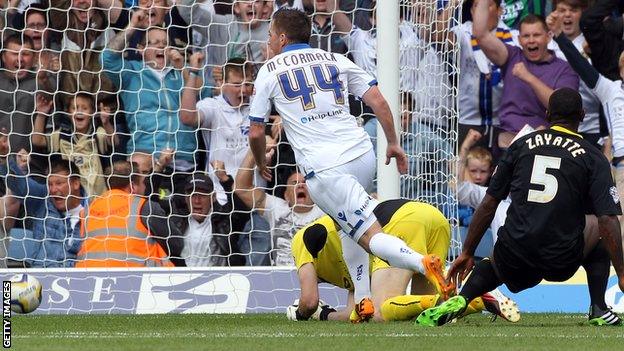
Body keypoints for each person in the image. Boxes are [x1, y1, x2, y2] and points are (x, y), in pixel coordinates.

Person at [248, 8, 453, 321]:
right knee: (347, 227)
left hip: (326, 167)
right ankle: (363, 300)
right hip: (362, 153)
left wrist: (262, 160)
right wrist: (394, 143)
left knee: (369, 235)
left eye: (270, 35)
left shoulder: (270, 69)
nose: (269, 41)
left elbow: (256, 130)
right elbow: (379, 101)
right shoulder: (334, 58)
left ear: (281, 37)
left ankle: (422, 262)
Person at [416, 88, 624, 327]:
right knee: (599, 226)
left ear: (547, 114)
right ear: (582, 115)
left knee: (495, 262)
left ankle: (464, 297)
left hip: (516, 252)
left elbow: (489, 202)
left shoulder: (521, 145)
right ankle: (599, 308)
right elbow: (608, 219)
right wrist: (620, 272)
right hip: (561, 257)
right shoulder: (592, 155)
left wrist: (466, 252)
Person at [288, 199, 520, 323]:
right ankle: (473, 296)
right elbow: (356, 312)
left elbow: (308, 300)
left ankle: (477, 298)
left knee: (381, 312)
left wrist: (301, 314)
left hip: (399, 224)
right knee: (430, 313)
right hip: (432, 217)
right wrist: (325, 314)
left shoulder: (302, 239)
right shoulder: (346, 262)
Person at [547, 11, 624, 237]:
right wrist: (560, 36)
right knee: (619, 222)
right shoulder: (610, 90)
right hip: (622, 165)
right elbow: (581, 65)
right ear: (620, 71)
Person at [471, 0, 578, 149]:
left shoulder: (564, 69)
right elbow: (480, 34)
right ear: (519, 39)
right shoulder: (512, 56)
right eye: (526, 36)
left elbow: (561, 108)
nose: (531, 40)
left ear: (548, 36)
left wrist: (528, 77)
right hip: (507, 140)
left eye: (537, 35)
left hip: (544, 143)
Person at [76, 160, 184, 267]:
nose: (145, 187)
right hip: (136, 279)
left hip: (88, 279)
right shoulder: (144, 207)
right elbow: (176, 244)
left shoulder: (88, 210)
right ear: (132, 186)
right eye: (143, 183)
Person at [235, 149, 325, 266]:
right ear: (286, 195)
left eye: (305, 182)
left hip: (317, 276)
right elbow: (241, 188)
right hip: (281, 277)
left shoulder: (325, 211)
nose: (300, 185)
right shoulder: (276, 208)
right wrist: (254, 150)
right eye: (294, 183)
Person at [0, 156, 88, 267]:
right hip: (39, 279)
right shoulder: (42, 201)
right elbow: (20, 185)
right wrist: (3, 159)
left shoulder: (94, 212)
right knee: (6, 284)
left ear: (75, 184)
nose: (53, 189)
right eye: (50, 184)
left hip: (77, 281)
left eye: (59, 183)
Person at [548, 0, 603, 148]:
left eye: (573, 10)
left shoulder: (595, 45)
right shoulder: (545, 45)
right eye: (562, 10)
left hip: (592, 128)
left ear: (583, 13)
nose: (567, 15)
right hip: (555, 128)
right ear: (553, 13)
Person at [180, 166, 249, 267]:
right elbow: (151, 207)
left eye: (202, 195)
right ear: (186, 198)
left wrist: (225, 180)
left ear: (213, 197)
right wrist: (159, 167)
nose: (197, 201)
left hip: (217, 280)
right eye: (193, 195)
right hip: (180, 279)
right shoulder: (175, 220)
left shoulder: (223, 221)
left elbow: (242, 211)